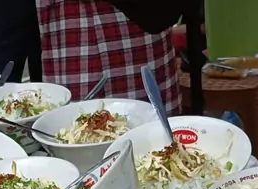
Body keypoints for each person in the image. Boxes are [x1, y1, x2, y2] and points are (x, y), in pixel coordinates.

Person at [35, 0, 199, 111]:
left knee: (157, 145)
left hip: (141, 62)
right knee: (71, 137)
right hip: (72, 57)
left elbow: (167, 14)